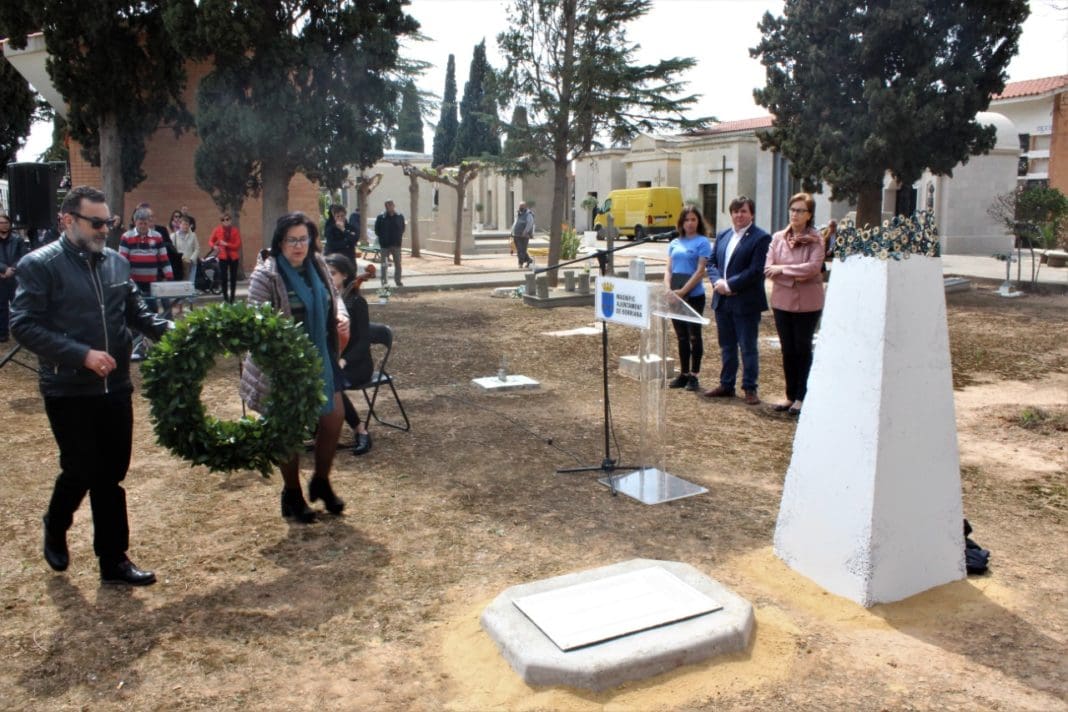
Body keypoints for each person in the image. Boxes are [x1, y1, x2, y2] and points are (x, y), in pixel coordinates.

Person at [10, 185, 171, 585]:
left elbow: (138, 313)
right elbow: (23, 324)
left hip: (115, 387)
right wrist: (81, 354)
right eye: (96, 223)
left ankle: (113, 560)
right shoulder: (40, 265)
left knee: (111, 474)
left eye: (108, 222)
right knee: (80, 468)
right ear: (68, 220)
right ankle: (56, 522)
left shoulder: (117, 263)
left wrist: (180, 332)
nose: (105, 230)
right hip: (68, 388)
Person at [239, 212, 350, 522]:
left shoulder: (318, 264)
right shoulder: (267, 274)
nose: (299, 246)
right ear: (280, 242)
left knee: (333, 418)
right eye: (292, 240)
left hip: (320, 356)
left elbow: (334, 296)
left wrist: (341, 315)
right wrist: (280, 340)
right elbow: (255, 318)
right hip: (282, 363)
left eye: (304, 239)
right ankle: (292, 493)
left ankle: (321, 481)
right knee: (287, 431)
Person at [702, 196, 772, 405]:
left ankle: (750, 388)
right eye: (735, 211)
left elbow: (756, 270)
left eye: (743, 211)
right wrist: (717, 282)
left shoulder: (761, 238)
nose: (739, 215)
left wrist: (730, 285)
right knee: (727, 345)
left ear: (752, 214)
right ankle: (726, 384)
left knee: (747, 347)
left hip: (745, 302)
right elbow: (711, 263)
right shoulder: (723, 235)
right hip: (722, 301)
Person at [764, 192, 826, 416]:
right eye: (792, 209)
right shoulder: (778, 237)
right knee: (787, 349)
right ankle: (790, 395)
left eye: (800, 211)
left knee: (802, 348)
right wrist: (794, 276)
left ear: (809, 215)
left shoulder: (816, 239)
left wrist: (782, 270)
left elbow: (812, 268)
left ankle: (802, 396)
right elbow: (768, 268)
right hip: (782, 302)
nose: (795, 214)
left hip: (808, 304)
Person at [325, 253, 375, 456]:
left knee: (331, 385)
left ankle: (360, 430)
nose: (328, 278)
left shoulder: (357, 302)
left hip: (358, 364)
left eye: (332, 273)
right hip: (335, 361)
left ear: (345, 275)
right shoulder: (327, 300)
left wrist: (344, 360)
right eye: (325, 274)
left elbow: (363, 342)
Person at [663, 206, 712, 392]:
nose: (690, 223)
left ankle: (694, 375)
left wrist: (683, 291)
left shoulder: (703, 242)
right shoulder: (675, 242)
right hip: (674, 296)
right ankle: (683, 373)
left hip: (693, 296)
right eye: (686, 220)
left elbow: (700, 271)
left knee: (694, 336)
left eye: (693, 219)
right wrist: (668, 289)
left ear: (698, 222)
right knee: (681, 336)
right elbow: (668, 269)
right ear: (681, 222)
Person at [119, 206, 173, 311]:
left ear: (149, 222)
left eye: (145, 223)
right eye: (140, 223)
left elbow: (164, 258)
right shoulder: (126, 237)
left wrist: (169, 275)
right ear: (135, 222)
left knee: (152, 308)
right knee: (136, 308)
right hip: (134, 281)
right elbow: (122, 260)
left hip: (152, 281)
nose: (143, 226)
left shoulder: (157, 236)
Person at [0, 213, 31, 342]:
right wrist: (3, 269)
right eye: (1, 223)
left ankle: (21, 333)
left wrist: (12, 269)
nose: (4, 225)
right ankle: (3, 333)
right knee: (1, 307)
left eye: (6, 223)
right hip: (1, 277)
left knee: (18, 306)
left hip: (15, 277)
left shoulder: (17, 239)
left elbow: (23, 257)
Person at [208, 212, 242, 303]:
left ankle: (232, 298)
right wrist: (214, 246)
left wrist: (226, 244)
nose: (225, 221)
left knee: (233, 278)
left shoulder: (235, 231)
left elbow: (237, 245)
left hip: (233, 257)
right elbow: (210, 241)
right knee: (223, 278)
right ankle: (226, 298)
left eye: (227, 219)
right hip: (223, 257)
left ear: (230, 220)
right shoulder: (217, 230)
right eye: (223, 220)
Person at [373, 200, 406, 288]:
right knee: (384, 265)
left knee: (398, 264)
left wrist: (398, 236)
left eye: (391, 205)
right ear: (385, 207)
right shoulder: (381, 217)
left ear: (394, 205)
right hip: (385, 245)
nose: (389, 207)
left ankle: (398, 281)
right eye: (387, 206)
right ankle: (384, 282)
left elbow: (403, 228)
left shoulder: (400, 216)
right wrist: (383, 238)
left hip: (396, 244)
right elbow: (376, 230)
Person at [173, 213, 200, 315]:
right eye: (183, 224)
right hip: (180, 264)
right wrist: (179, 259)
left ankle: (191, 305)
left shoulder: (193, 235)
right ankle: (180, 307)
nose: (185, 226)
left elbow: (197, 248)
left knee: (190, 284)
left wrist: (192, 259)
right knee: (181, 285)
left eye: (187, 225)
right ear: (179, 225)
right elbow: (173, 250)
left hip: (191, 264)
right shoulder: (174, 236)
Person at [511, 202, 535, 268]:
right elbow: (515, 223)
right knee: (520, 250)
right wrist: (512, 232)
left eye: (522, 206)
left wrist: (525, 232)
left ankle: (520, 263)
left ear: (525, 206)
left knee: (522, 250)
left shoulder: (528, 214)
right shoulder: (518, 214)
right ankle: (529, 260)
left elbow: (530, 224)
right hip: (516, 235)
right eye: (520, 206)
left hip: (524, 235)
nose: (520, 207)